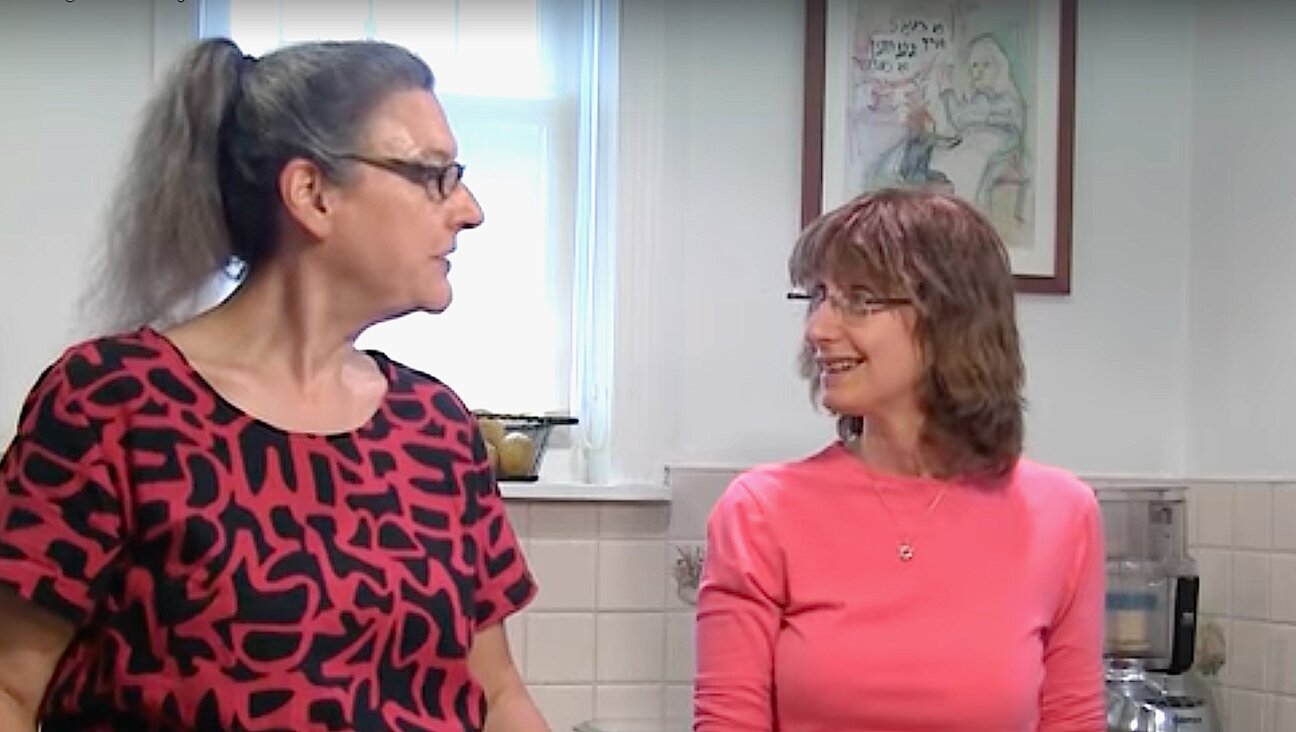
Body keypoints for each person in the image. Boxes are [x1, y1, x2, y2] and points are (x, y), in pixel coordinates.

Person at [0, 37, 548, 732]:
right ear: (312, 194)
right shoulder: (112, 404)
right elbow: (9, 692)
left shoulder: (437, 428)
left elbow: (496, 696)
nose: (468, 209)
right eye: (433, 175)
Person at [694, 189, 1105, 731]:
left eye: (860, 301)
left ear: (949, 321)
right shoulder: (760, 513)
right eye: (818, 296)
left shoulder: (1063, 515)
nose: (818, 328)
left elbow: (1073, 721)